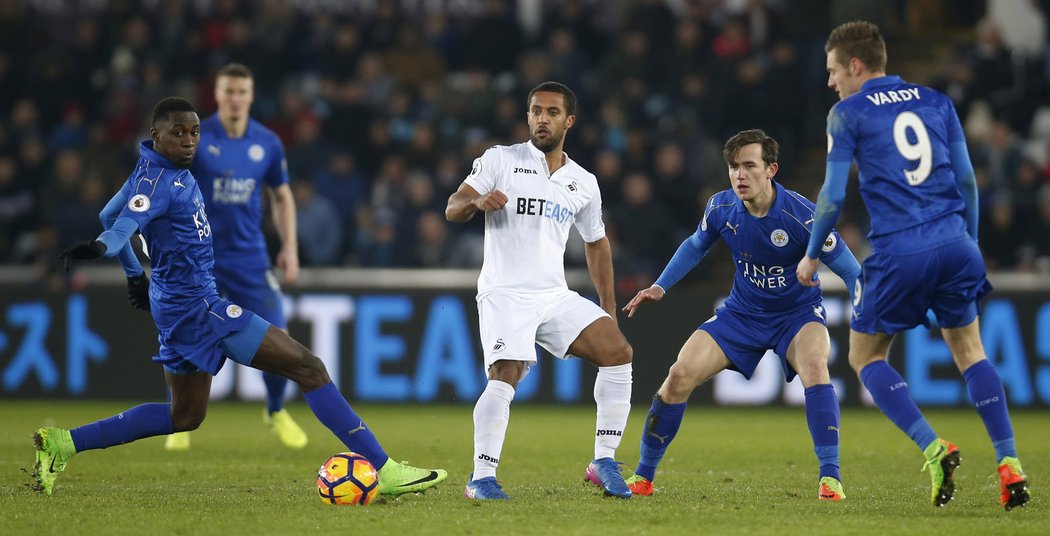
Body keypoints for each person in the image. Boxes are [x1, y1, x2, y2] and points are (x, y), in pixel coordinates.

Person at [33, 97, 447, 497]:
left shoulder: (149, 167)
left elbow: (110, 212)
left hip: (173, 304)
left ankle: (63, 444)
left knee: (185, 415)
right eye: (178, 133)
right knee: (309, 368)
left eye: (194, 132)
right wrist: (101, 249)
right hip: (199, 307)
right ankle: (385, 469)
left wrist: (133, 277)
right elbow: (118, 227)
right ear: (155, 133)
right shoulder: (158, 182)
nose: (189, 140)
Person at [797, 21, 1030, 510]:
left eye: (834, 70)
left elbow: (833, 195)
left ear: (856, 66)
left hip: (900, 251)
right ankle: (1010, 465)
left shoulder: (847, 113)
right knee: (971, 352)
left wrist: (812, 252)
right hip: (956, 241)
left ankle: (933, 447)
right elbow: (967, 182)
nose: (830, 82)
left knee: (865, 357)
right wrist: (970, 243)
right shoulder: (937, 101)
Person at [621, 129, 861, 501]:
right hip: (742, 313)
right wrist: (660, 286)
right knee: (678, 376)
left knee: (815, 366)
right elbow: (696, 244)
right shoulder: (720, 208)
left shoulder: (803, 216)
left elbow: (850, 269)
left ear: (771, 170)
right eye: (734, 167)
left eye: (749, 166)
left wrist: (867, 308)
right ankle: (643, 476)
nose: (739, 175)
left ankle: (830, 479)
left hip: (796, 314)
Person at [445, 81, 634, 500]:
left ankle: (603, 460)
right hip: (505, 292)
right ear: (527, 116)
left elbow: (596, 241)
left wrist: (607, 307)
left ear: (569, 121)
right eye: (535, 111)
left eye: (551, 112)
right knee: (505, 375)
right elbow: (453, 205)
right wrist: (476, 204)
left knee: (618, 352)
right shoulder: (500, 160)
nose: (541, 119)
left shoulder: (582, 181)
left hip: (553, 294)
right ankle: (480, 478)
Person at [163, 63, 304, 451]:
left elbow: (281, 196)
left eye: (242, 92)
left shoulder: (268, 143)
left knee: (279, 338)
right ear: (217, 95)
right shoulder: (195, 136)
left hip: (249, 258)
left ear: (251, 96)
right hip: (198, 257)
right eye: (228, 91)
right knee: (186, 337)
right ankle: (178, 419)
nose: (235, 99)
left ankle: (274, 410)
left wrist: (289, 247)